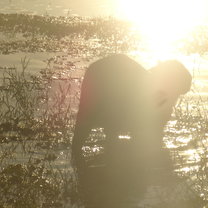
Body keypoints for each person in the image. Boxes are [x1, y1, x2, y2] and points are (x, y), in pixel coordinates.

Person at [71, 54, 192, 207]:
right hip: (107, 80)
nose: (175, 100)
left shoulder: (151, 89)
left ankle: (80, 162)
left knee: (86, 136)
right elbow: (148, 138)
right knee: (103, 134)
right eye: (176, 94)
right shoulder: (152, 95)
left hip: (102, 77)